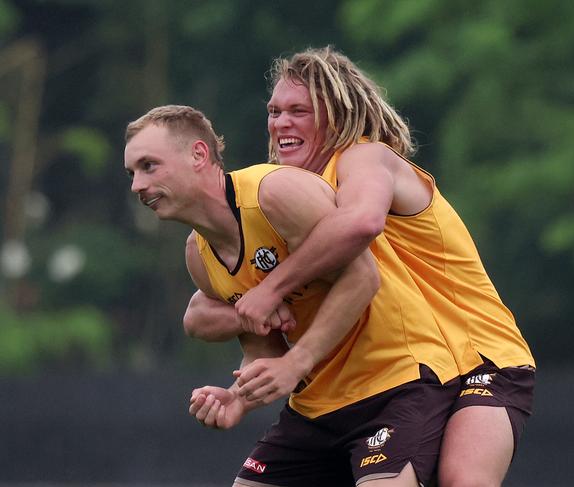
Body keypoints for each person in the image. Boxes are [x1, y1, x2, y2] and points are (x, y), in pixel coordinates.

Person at [184, 47, 536, 486]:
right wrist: (241, 376)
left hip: (482, 354)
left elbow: (362, 222)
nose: (280, 123)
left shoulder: (364, 157)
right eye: (274, 111)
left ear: (335, 115)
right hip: (415, 369)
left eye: (298, 110)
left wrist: (272, 291)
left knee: (462, 480)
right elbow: (205, 308)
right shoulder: (290, 197)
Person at [124, 104, 462, 487]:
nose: (137, 185)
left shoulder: (273, 192)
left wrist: (298, 360)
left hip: (397, 384)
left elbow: (364, 277)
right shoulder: (198, 256)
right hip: (317, 406)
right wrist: (238, 397)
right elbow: (265, 350)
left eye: (149, 166)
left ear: (198, 155)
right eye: (132, 173)